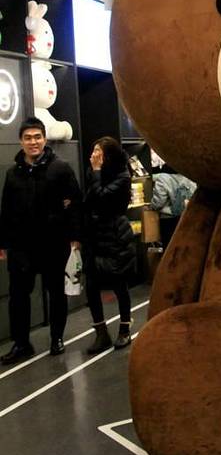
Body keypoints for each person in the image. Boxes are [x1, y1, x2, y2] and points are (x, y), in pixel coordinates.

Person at [0, 117, 82, 364]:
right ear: (21, 141)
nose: (33, 142)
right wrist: (3, 243)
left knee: (55, 292)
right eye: (28, 138)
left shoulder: (61, 168)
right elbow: (6, 210)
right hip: (20, 247)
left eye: (37, 137)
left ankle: (57, 338)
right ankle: (22, 344)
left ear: (45, 139)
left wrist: (75, 238)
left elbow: (75, 204)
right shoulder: (12, 173)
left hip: (53, 243)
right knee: (18, 296)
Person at [83, 136, 135, 354]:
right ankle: (100, 332)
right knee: (91, 285)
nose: (95, 155)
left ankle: (124, 328)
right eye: (94, 151)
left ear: (110, 155)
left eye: (100, 152)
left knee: (118, 283)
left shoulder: (122, 176)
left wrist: (96, 173)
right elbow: (90, 200)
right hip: (95, 236)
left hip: (115, 235)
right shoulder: (94, 173)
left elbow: (102, 199)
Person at [149, 164, 196, 248]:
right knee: (185, 246)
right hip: (187, 217)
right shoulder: (189, 175)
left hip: (168, 220)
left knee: (169, 247)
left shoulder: (163, 178)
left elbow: (158, 203)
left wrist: (151, 206)